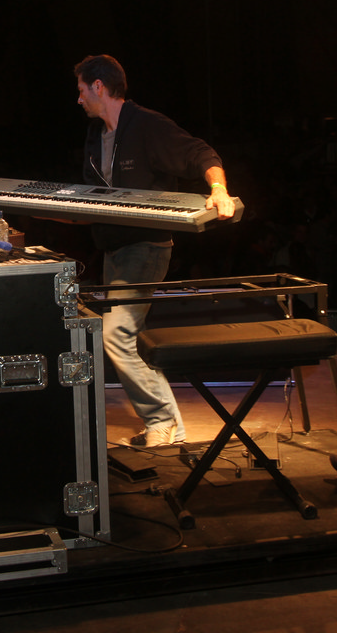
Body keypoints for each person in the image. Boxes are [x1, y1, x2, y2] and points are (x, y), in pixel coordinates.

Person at [74, 54, 236, 447]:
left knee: (116, 334)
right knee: (131, 337)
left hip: (145, 247)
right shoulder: (95, 136)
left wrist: (218, 190)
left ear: (99, 86)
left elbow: (202, 155)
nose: (78, 99)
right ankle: (166, 426)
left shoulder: (147, 125)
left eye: (81, 90)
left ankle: (163, 422)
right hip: (113, 251)